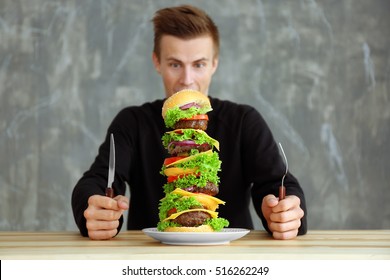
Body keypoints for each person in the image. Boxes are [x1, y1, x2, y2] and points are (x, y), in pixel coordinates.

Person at [71, 4, 307, 240]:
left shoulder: (243, 121)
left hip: (232, 258)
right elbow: (98, 181)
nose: (187, 80)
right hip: (149, 259)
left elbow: (279, 183)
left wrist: (284, 214)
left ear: (214, 64)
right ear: (157, 62)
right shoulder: (133, 122)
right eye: (175, 64)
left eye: (199, 64)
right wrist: (94, 211)